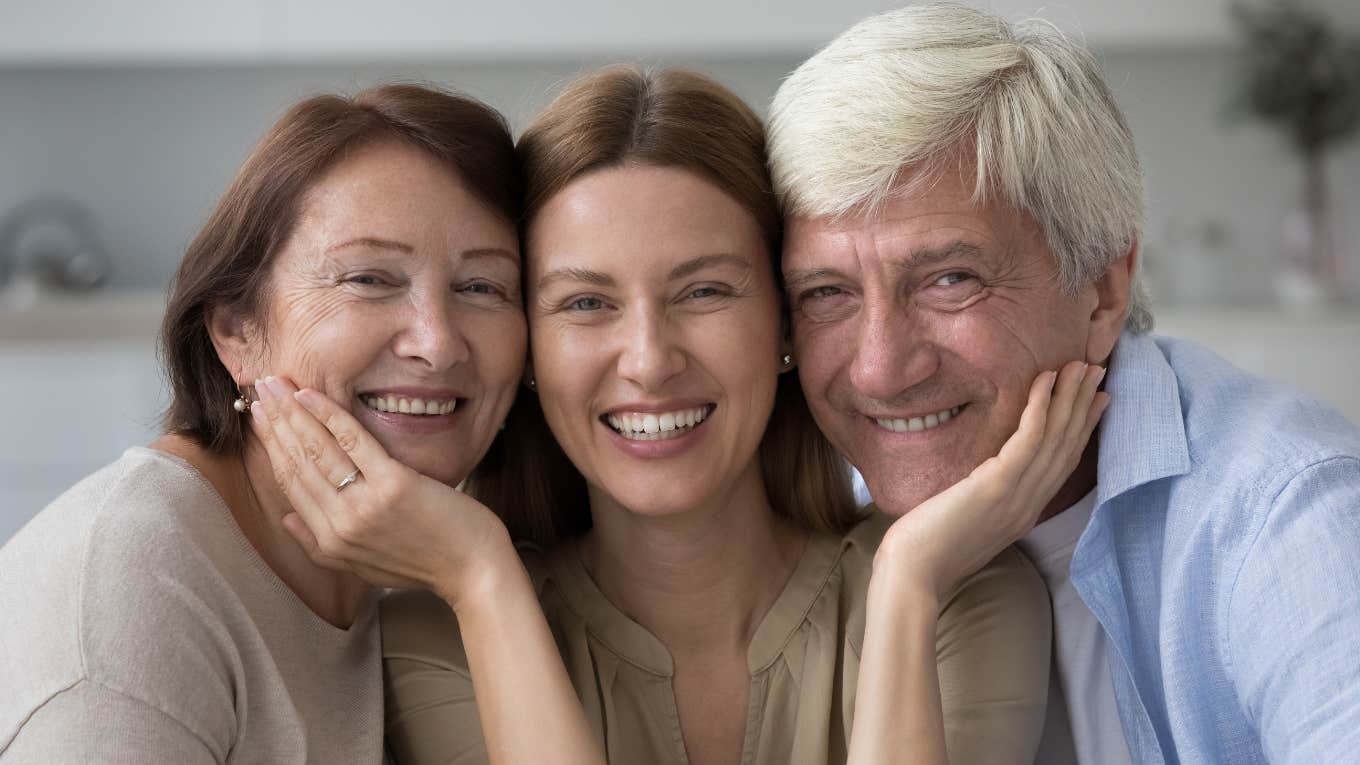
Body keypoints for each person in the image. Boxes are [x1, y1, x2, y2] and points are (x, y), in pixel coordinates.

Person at [256, 66, 1105, 765]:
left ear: (783, 320)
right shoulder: (435, 631)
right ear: (528, 352)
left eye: (703, 291)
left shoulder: (956, 589)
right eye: (586, 302)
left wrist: (910, 584)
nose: (650, 358)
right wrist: (481, 576)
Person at [766, 4, 1360, 763]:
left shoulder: (1289, 521)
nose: (880, 367)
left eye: (950, 279)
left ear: (1105, 288)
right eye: (826, 293)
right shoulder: (802, 520)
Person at [0, 84, 599, 763]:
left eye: (482, 287)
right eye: (369, 279)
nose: (437, 343)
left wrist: (480, 569)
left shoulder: (413, 563)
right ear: (237, 329)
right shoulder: (130, 595)